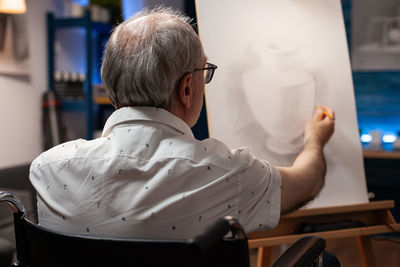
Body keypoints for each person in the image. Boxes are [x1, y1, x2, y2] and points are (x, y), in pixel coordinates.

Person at [29, 7, 334, 239]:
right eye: (205, 72)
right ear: (187, 88)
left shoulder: (48, 170)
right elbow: (305, 182)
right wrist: (315, 141)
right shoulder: (226, 173)